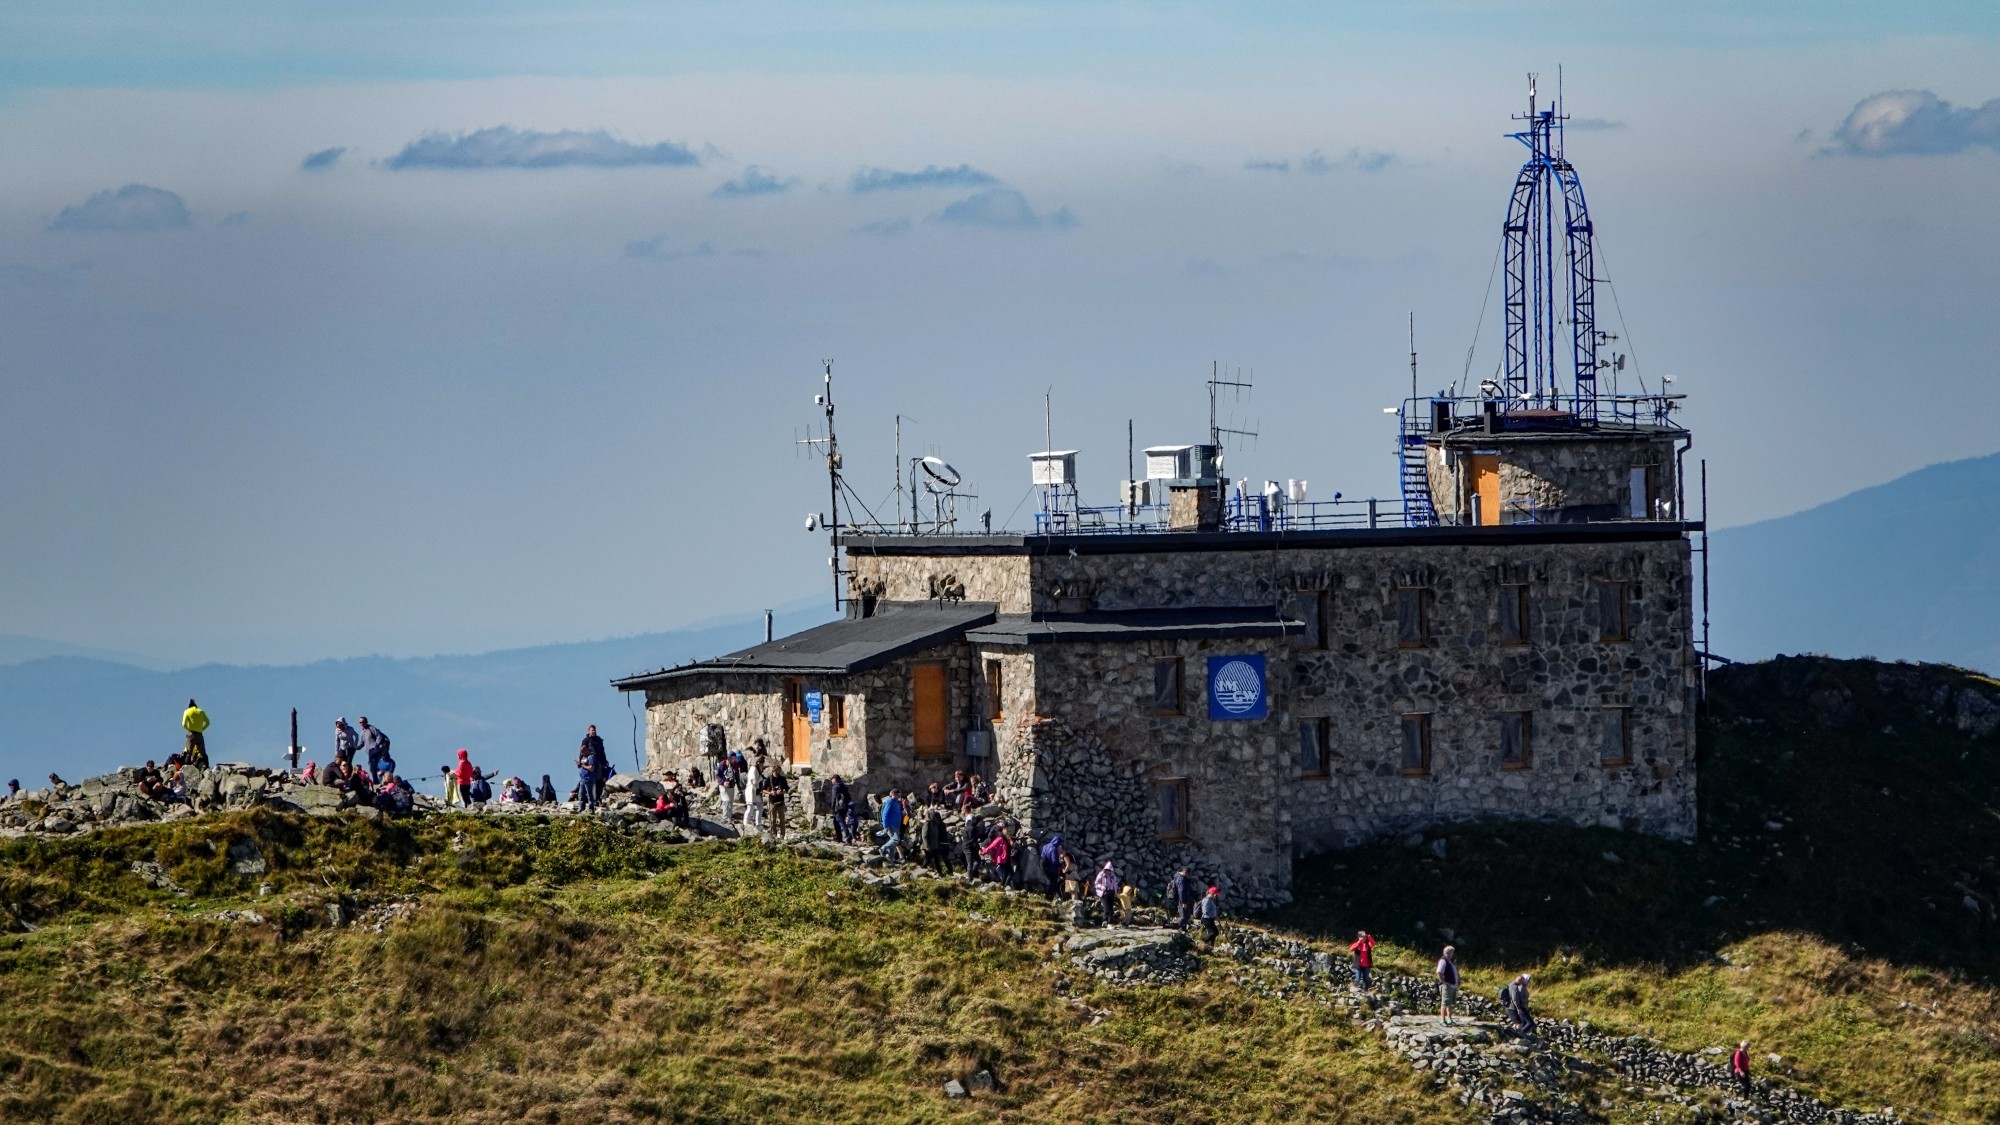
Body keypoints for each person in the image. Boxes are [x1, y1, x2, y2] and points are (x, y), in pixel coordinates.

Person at [580, 725, 610, 807]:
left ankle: (597, 799)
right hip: (589, 763)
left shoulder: (599, 740)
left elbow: (602, 752)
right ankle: (588, 801)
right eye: (592, 730)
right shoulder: (586, 740)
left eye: (594, 730)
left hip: (599, 763)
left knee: (599, 781)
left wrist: (605, 761)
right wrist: (580, 763)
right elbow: (582, 751)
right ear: (588, 731)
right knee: (588, 782)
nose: (593, 732)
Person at [879, 788, 906, 863]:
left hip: (897, 824)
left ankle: (891, 859)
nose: (899, 796)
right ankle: (883, 848)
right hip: (891, 824)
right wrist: (885, 825)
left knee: (894, 842)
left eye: (899, 794)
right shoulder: (890, 801)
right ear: (894, 794)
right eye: (898, 794)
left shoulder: (897, 802)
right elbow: (885, 814)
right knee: (895, 839)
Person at [181, 699, 210, 766]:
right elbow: (208, 722)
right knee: (203, 752)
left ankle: (187, 767)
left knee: (189, 752)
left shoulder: (187, 711)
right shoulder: (201, 711)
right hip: (200, 734)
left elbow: (183, 724)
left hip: (191, 734)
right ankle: (207, 766)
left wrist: (188, 729)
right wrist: (202, 729)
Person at [1436, 946, 1460, 1024]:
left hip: (1453, 985)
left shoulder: (1451, 962)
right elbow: (1439, 972)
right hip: (1447, 985)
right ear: (1447, 953)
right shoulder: (1443, 961)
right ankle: (1442, 1020)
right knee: (1445, 1003)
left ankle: (1449, 1019)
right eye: (1451, 952)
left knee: (1450, 1003)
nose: (1453, 954)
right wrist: (1443, 981)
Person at [922, 806, 951, 873]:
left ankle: (939, 872)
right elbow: (924, 836)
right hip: (929, 846)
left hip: (934, 845)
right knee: (931, 859)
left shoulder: (935, 823)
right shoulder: (927, 824)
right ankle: (938, 872)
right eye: (932, 814)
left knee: (932, 859)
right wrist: (927, 846)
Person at [1093, 861, 1122, 928]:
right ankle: (1104, 921)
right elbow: (1096, 883)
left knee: (1111, 908)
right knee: (1106, 907)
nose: (1107, 871)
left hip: (1111, 893)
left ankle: (1110, 922)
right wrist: (1101, 887)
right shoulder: (1101, 874)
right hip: (1104, 893)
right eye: (1106, 870)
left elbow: (1114, 884)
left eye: (1109, 870)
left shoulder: (1113, 876)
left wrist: (1117, 889)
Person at [763, 767, 790, 838]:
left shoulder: (782, 779)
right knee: (772, 820)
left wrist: (781, 792)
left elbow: (787, 789)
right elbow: (763, 790)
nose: (779, 772)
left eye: (779, 771)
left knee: (782, 820)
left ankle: (782, 836)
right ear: (774, 771)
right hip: (772, 802)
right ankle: (774, 835)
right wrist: (770, 792)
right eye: (778, 771)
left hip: (781, 802)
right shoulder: (769, 779)